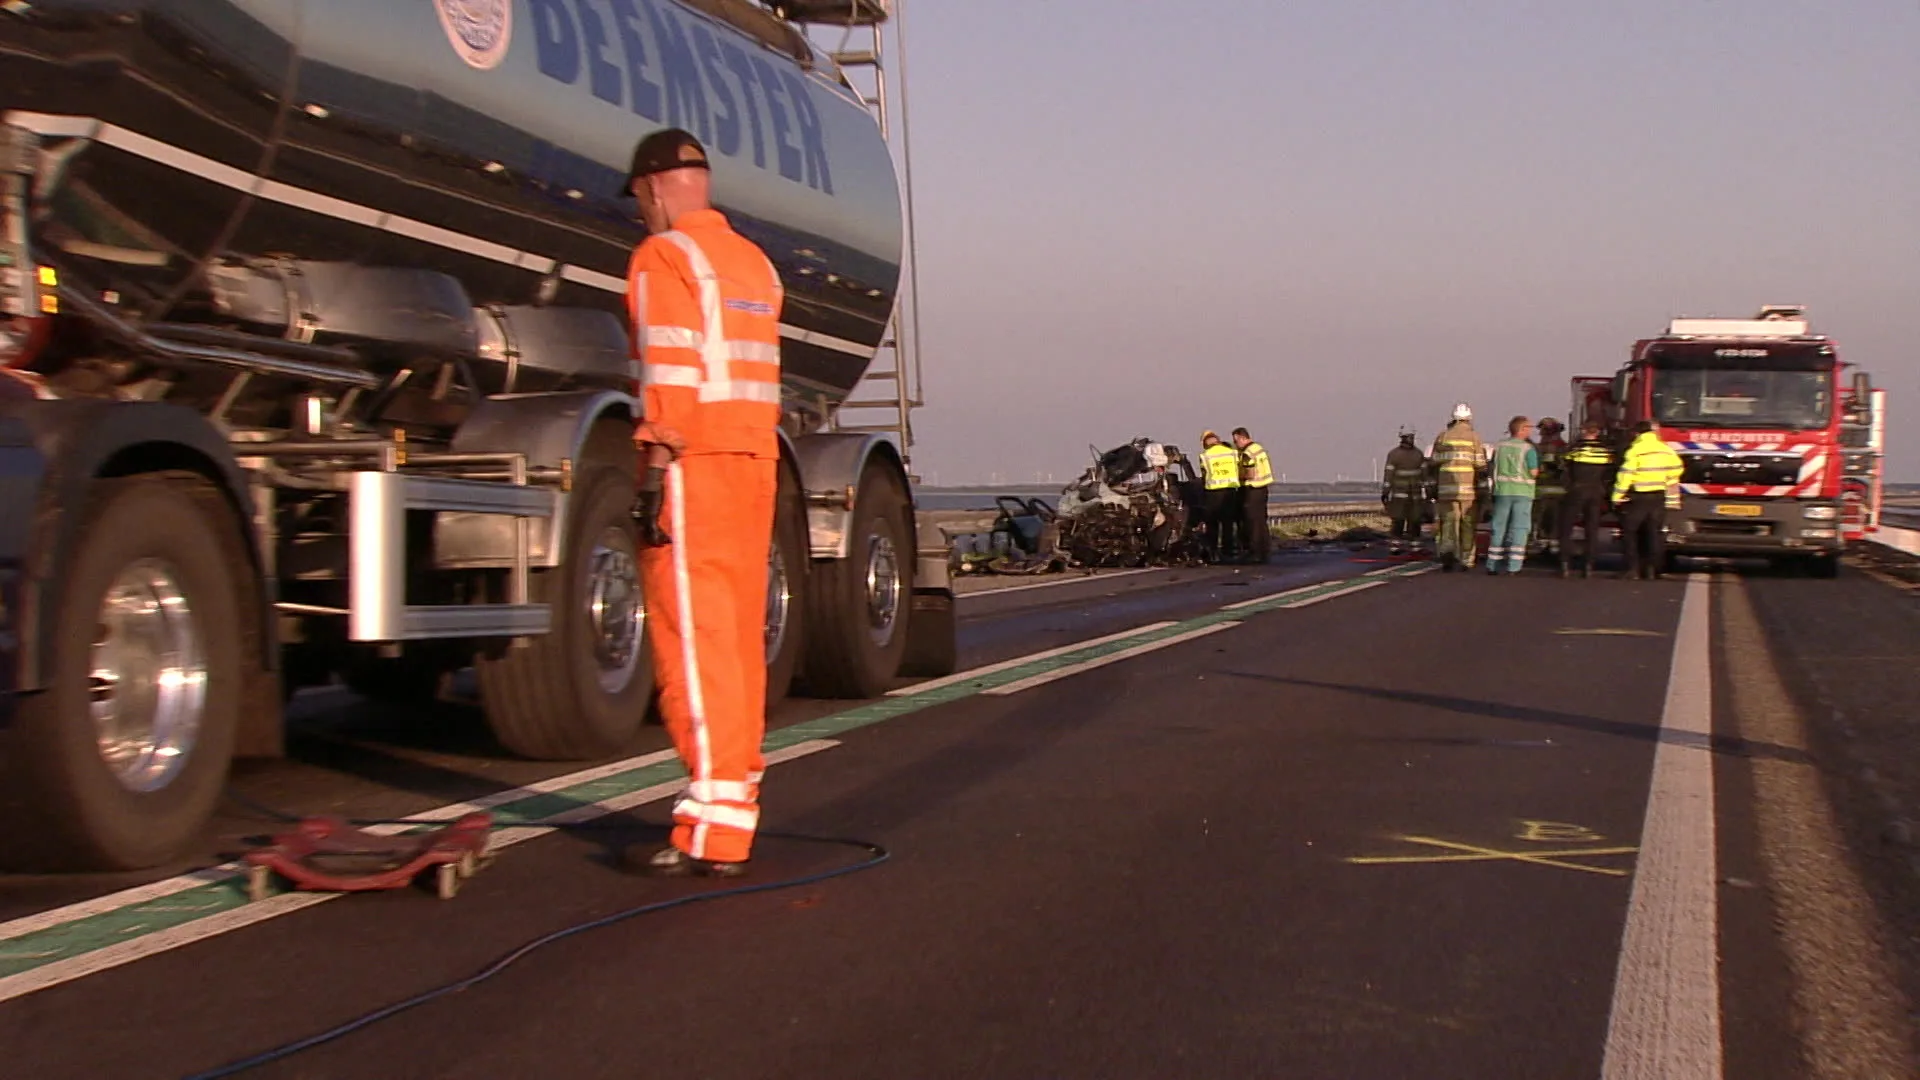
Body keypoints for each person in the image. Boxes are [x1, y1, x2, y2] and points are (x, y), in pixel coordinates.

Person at [621, 129, 785, 878]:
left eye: (638, 199)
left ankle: (716, 826)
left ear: (654, 187)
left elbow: (671, 368)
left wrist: (655, 462)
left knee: (692, 644)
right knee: (737, 642)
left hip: (695, 465)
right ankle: (729, 803)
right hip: (754, 461)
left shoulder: (664, 259)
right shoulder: (752, 262)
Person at [1611, 420, 1685, 581]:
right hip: (1659, 496)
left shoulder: (1635, 451)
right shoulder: (1666, 449)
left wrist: (1617, 496)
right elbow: (1677, 469)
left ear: (1637, 434)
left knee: (1630, 532)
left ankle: (1632, 569)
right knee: (1654, 533)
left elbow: (1625, 475)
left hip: (1639, 497)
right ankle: (1652, 569)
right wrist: (1665, 482)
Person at [1429, 403, 1485, 572]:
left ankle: (1447, 551)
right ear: (1469, 419)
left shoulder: (1443, 436)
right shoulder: (1474, 437)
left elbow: (1434, 462)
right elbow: (1480, 465)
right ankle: (1466, 559)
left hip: (1446, 490)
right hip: (1467, 491)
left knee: (1448, 523)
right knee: (1467, 523)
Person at [1556, 421, 1616, 578]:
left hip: (1577, 490)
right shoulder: (1604, 451)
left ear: (1583, 431)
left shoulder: (1575, 449)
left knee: (1566, 528)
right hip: (1596, 491)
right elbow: (1609, 473)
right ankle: (1588, 566)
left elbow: (1563, 467)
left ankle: (1565, 565)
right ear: (1597, 432)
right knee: (1591, 529)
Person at [1485, 417, 1538, 575]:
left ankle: (1492, 564)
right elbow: (1534, 472)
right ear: (1521, 429)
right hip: (1523, 492)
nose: (1530, 430)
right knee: (1520, 528)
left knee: (1498, 527)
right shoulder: (1528, 449)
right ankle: (1514, 566)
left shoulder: (1499, 447)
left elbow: (1492, 467)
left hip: (1502, 491)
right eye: (1528, 427)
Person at [1381, 429, 1428, 554]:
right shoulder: (1414, 454)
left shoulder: (1398, 454)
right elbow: (1388, 475)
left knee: (1413, 521)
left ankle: (1413, 546)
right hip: (1406, 494)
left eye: (1412, 437)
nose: (1411, 439)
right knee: (1401, 520)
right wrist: (1386, 491)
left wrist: (1386, 492)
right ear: (1403, 438)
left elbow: (1425, 475)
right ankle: (1399, 546)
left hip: (1409, 494)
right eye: (1409, 437)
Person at [1198, 430, 1241, 563]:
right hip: (1230, 490)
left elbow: (1204, 474)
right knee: (1228, 523)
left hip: (1213, 492)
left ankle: (1213, 552)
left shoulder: (1205, 455)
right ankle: (1228, 551)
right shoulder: (1232, 452)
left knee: (1212, 525)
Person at [1232, 427, 1273, 563]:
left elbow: (1250, 473)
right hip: (1262, 488)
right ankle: (1263, 551)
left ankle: (1254, 552)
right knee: (1261, 522)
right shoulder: (1258, 448)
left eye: (1236, 441)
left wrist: (1237, 476)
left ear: (1243, 438)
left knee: (1252, 522)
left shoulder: (1247, 453)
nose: (1235, 444)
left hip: (1252, 488)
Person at [1531, 417, 1568, 561]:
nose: (1541, 433)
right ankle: (1550, 547)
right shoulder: (1562, 446)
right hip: (1553, 492)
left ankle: (1549, 547)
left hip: (1547, 492)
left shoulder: (1545, 448)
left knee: (1547, 521)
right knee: (1550, 522)